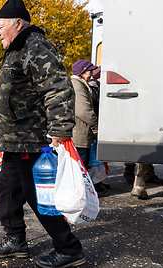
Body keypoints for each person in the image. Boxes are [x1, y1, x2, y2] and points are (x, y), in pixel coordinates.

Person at [0, 1, 85, 267]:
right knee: (7, 190)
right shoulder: (16, 48)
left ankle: (68, 248)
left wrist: (59, 130)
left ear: (17, 23)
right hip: (14, 140)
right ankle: (15, 239)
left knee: (37, 194)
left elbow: (58, 89)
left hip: (31, 139)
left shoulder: (34, 45)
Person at [70, 59, 109, 193]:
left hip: (81, 132)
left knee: (82, 166)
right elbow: (83, 110)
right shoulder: (77, 85)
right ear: (82, 72)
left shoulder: (79, 83)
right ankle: (79, 193)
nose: (91, 73)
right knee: (80, 166)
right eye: (89, 71)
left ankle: (81, 192)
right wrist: (96, 126)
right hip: (79, 133)